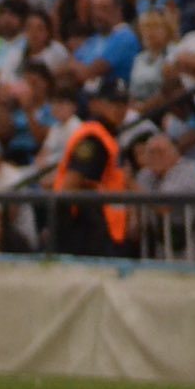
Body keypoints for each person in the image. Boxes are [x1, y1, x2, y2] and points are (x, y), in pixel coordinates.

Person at [51, 75, 132, 256]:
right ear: (96, 104)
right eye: (112, 103)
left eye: (123, 103)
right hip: (90, 235)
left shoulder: (109, 135)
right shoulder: (94, 139)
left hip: (108, 231)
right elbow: (71, 185)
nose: (119, 109)